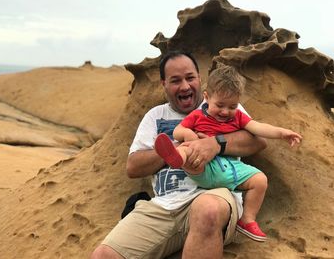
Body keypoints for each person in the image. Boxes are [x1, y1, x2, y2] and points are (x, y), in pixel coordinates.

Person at [91, 51, 267, 259]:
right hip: (165, 206)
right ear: (164, 84)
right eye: (175, 81)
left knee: (207, 210)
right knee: (104, 255)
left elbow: (257, 141)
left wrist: (215, 144)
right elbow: (133, 167)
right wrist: (176, 148)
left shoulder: (222, 106)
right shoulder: (155, 116)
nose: (184, 86)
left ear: (200, 80)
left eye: (190, 78)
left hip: (213, 195)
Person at [154, 63, 302, 242]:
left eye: (232, 106)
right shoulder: (197, 116)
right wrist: (190, 136)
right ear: (207, 97)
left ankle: (247, 220)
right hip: (204, 167)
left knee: (260, 180)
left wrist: (281, 133)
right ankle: (176, 158)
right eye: (220, 105)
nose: (226, 111)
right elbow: (178, 131)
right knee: (187, 148)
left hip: (231, 169)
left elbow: (258, 128)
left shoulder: (238, 116)